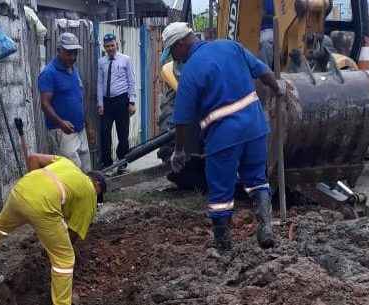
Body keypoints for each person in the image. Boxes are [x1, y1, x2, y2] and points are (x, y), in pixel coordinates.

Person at [160, 22, 283, 252]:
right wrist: (278, 91)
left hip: (224, 138)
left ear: (181, 44)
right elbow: (264, 71)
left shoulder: (191, 70)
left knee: (221, 192)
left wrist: (179, 150)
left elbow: (182, 119)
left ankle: (223, 244)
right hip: (256, 128)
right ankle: (266, 227)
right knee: (257, 179)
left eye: (172, 51)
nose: (173, 57)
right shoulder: (230, 46)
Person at [0, 153, 107, 305]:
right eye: (99, 193)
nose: (97, 196)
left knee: (0, 224)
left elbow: (33, 158)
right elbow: (73, 233)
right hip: (43, 205)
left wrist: (35, 191)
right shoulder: (90, 194)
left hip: (22, 188)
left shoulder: (67, 163)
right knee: (65, 259)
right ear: (97, 184)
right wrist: (58, 247)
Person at [39, 32, 91, 170]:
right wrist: (61, 123)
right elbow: (44, 104)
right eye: (69, 53)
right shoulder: (49, 73)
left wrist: (87, 125)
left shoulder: (73, 69)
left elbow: (78, 97)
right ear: (59, 51)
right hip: (62, 131)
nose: (73, 57)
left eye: (75, 53)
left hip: (80, 130)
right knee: (71, 172)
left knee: (86, 169)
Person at [97, 33, 137, 173]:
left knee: (123, 134)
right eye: (107, 46)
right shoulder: (101, 62)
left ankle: (122, 162)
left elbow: (131, 81)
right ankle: (107, 164)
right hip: (107, 103)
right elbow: (100, 83)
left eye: (112, 45)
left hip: (121, 101)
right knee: (104, 132)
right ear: (104, 47)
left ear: (117, 45)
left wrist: (131, 101)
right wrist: (100, 103)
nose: (110, 48)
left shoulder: (125, 60)